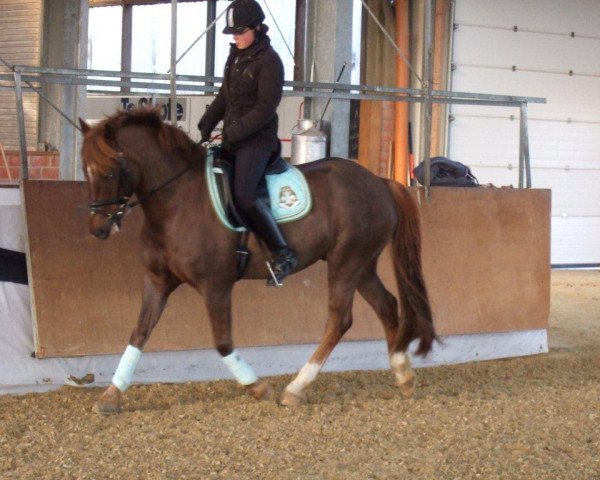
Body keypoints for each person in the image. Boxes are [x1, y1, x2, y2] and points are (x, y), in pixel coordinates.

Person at [198, 0, 298, 287]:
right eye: (233, 32)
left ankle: (282, 252)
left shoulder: (270, 62)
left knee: (243, 194)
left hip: (257, 141)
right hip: (234, 138)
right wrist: (206, 123)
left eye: (240, 32)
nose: (235, 37)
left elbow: (266, 108)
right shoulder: (236, 57)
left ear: (256, 28)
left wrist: (237, 131)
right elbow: (224, 97)